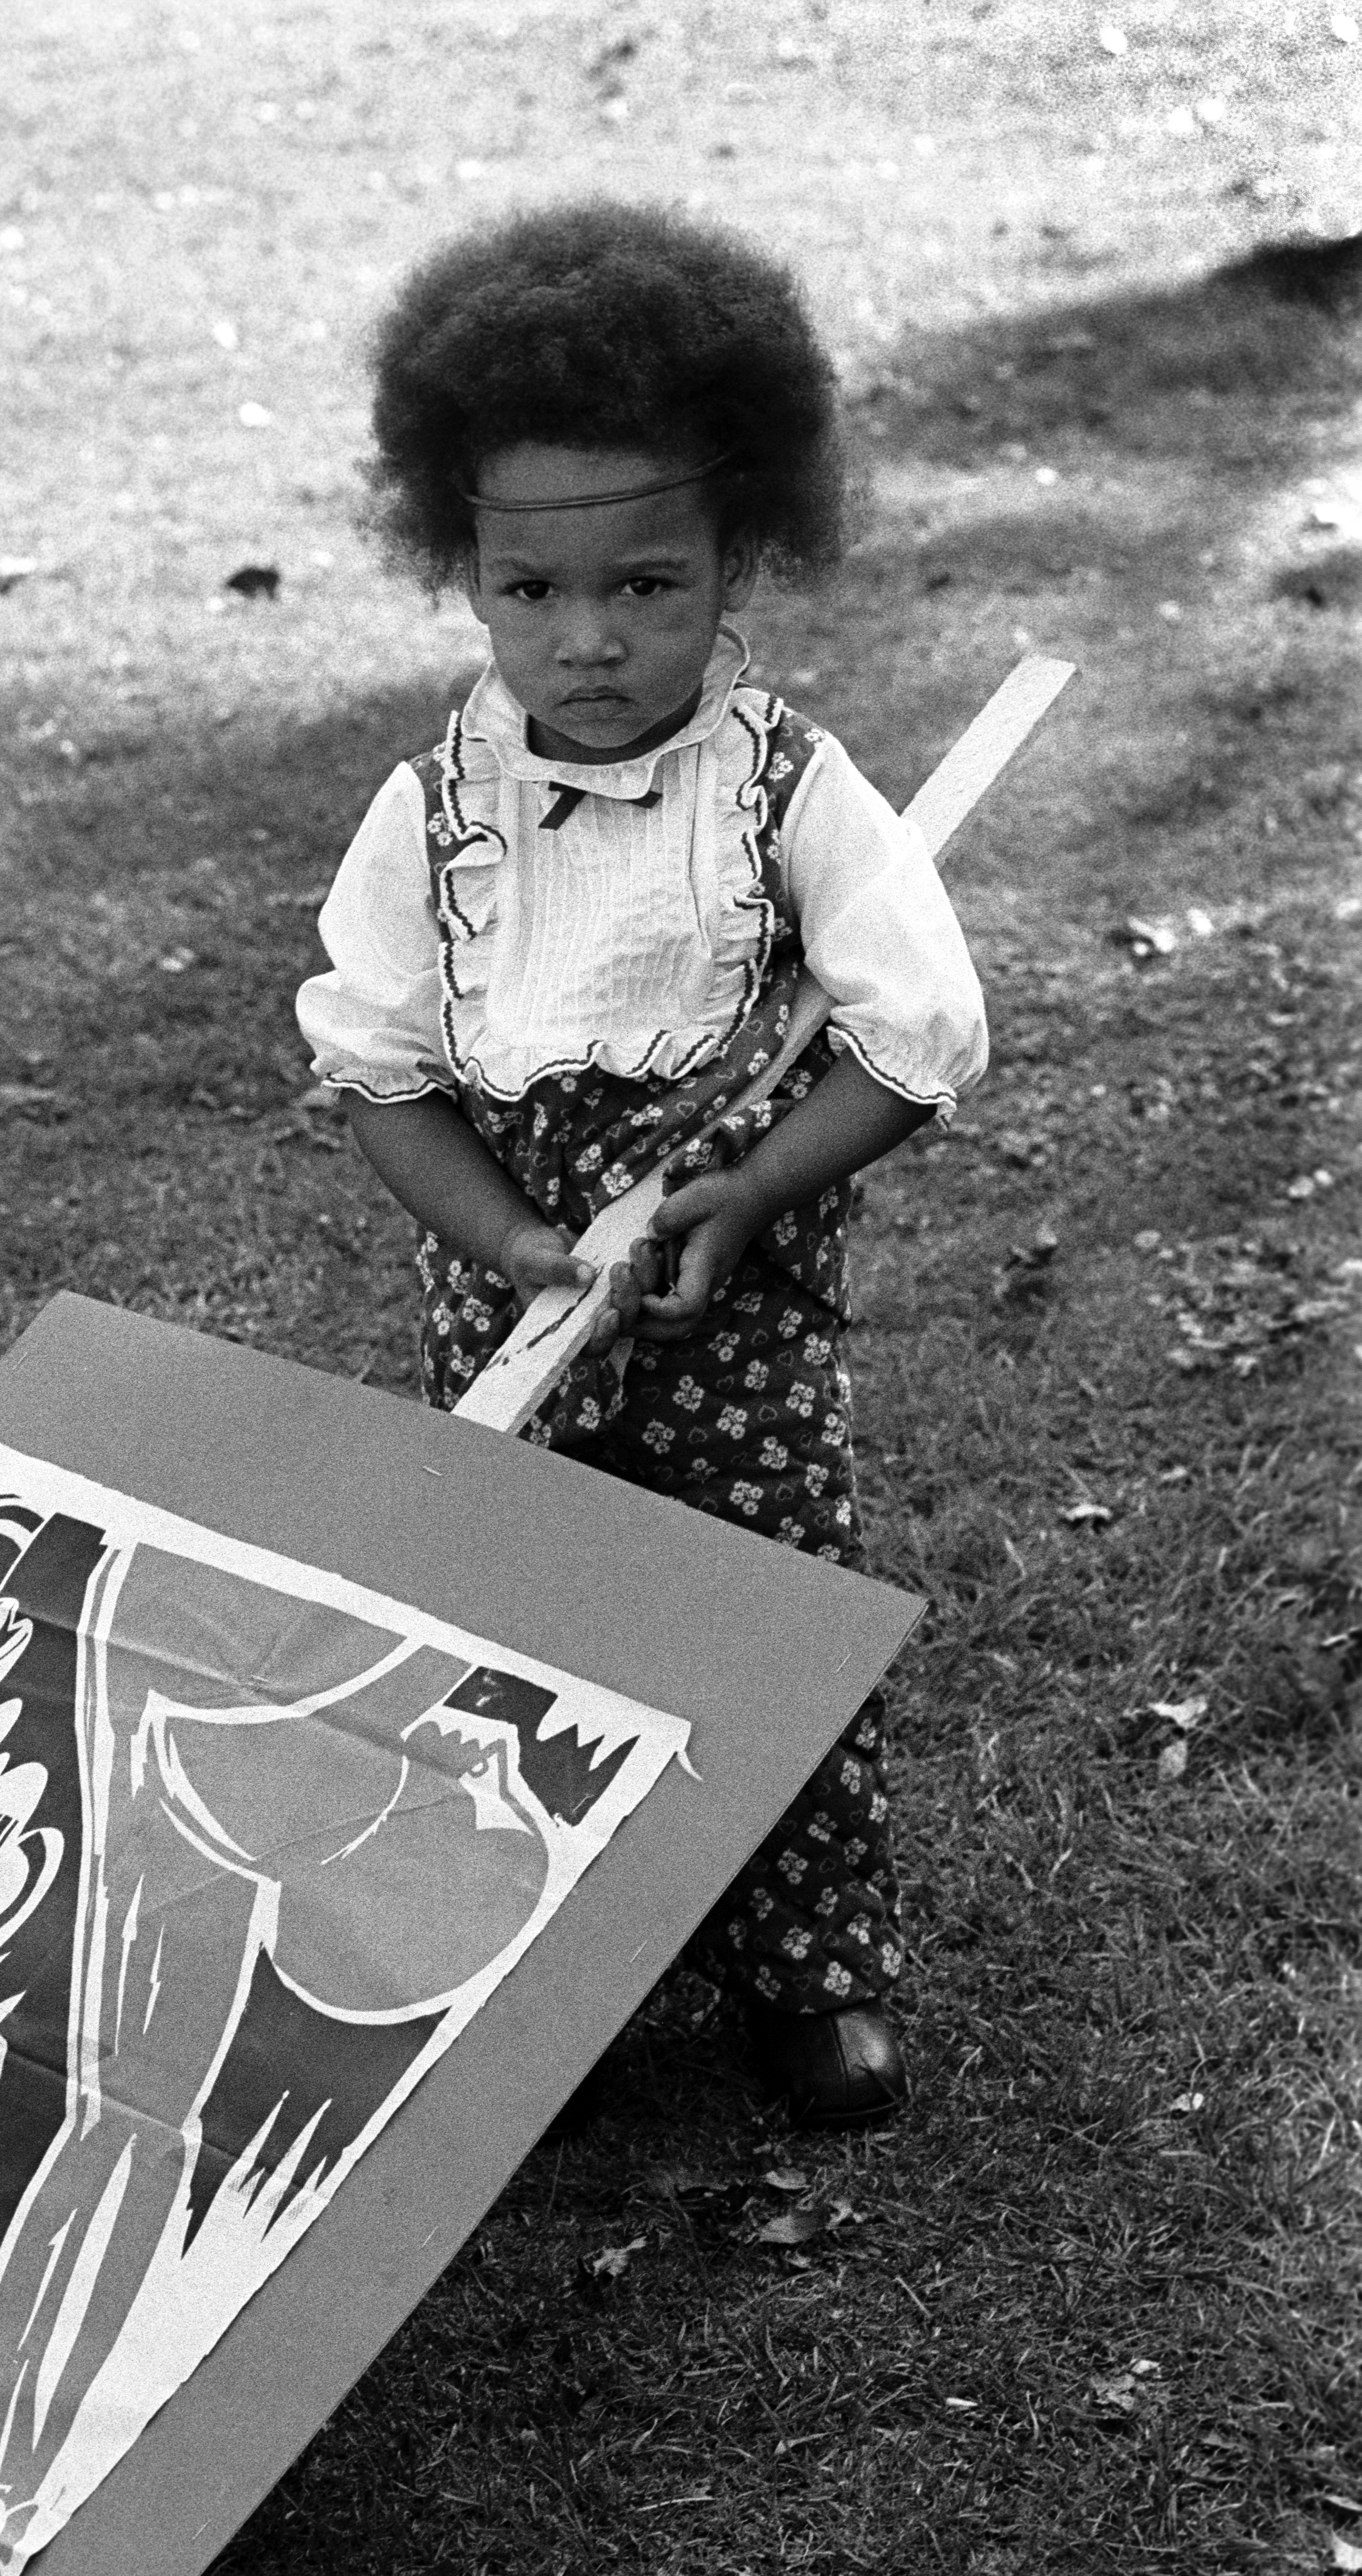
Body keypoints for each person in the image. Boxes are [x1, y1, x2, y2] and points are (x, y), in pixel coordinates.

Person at [295, 201, 988, 2129]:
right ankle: (544, 1982)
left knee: (767, 1613)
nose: (588, 639)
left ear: (739, 559)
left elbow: (910, 1040)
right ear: (466, 568)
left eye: (648, 584)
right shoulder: (432, 813)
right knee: (515, 1632)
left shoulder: (790, 792)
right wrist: (517, 1242)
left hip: (728, 1308)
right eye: (531, 590)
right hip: (506, 1298)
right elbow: (379, 1077)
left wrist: (752, 1192)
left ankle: (809, 1971)